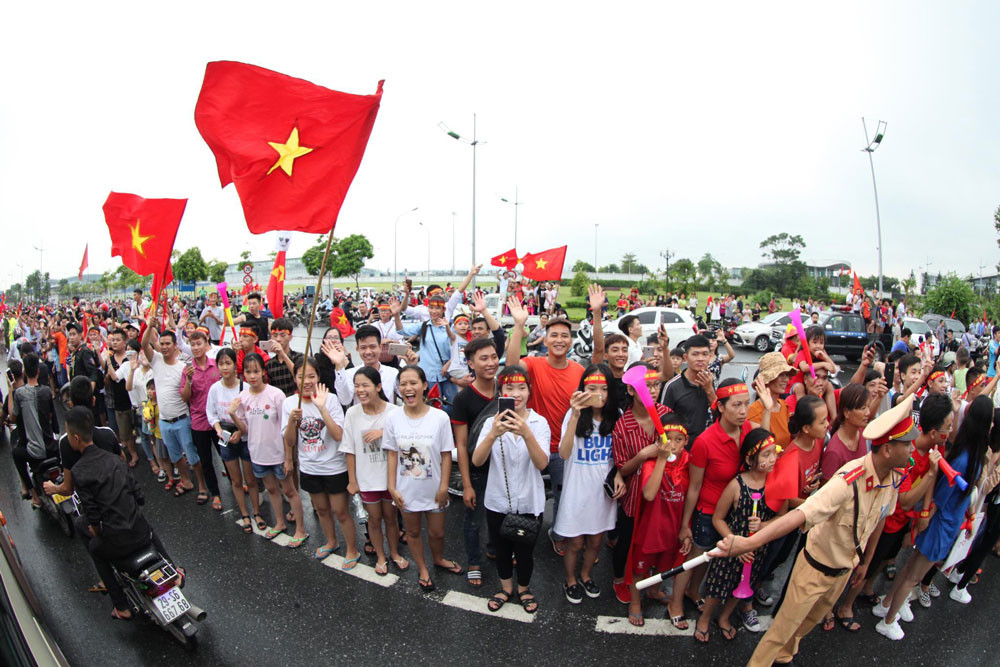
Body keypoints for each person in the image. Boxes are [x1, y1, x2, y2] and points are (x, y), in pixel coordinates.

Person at [714, 395, 918, 666]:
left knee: (805, 626)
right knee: (779, 633)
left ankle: (785, 657)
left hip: (842, 572)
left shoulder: (891, 479)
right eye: (907, 444)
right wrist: (748, 543)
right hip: (814, 569)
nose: (913, 449)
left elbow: (879, 519)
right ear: (889, 450)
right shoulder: (848, 481)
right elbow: (800, 514)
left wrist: (865, 562)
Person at [874, 395, 994, 640]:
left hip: (944, 523)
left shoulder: (969, 453)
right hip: (942, 526)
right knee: (913, 576)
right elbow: (941, 496)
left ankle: (887, 604)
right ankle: (888, 621)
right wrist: (925, 518)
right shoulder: (965, 458)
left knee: (910, 569)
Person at [835, 394, 950, 628]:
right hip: (887, 519)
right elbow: (906, 500)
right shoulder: (906, 455)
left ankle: (867, 590)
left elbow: (931, 476)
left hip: (903, 521)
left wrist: (925, 513)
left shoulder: (936, 446)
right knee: (868, 563)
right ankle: (845, 605)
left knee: (884, 559)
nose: (950, 431)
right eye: (947, 427)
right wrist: (929, 475)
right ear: (933, 433)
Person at [65, 406, 182, 620]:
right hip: (139, 532)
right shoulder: (116, 460)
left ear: (75, 438)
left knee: (95, 549)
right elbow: (139, 497)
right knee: (145, 524)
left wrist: (97, 529)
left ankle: (122, 606)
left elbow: (93, 517)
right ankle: (174, 571)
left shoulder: (79, 471)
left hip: (116, 541)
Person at [505, 297, 584, 557]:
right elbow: (511, 367)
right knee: (523, 493)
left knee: (563, 494)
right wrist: (518, 327)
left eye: (565, 335)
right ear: (545, 339)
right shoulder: (535, 364)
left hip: (563, 448)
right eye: (554, 335)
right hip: (532, 443)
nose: (560, 339)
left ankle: (558, 533)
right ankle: (517, 533)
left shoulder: (579, 370)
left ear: (570, 340)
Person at [472, 365, 550, 614]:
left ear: (529, 391)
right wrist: (493, 434)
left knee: (525, 552)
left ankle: (524, 588)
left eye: (521, 388)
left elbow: (542, 463)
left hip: (529, 501)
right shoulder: (490, 423)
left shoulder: (539, 423)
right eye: (509, 388)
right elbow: (477, 461)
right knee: (501, 550)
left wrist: (526, 433)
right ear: (500, 392)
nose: (516, 393)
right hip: (497, 501)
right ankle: (505, 587)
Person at [696, 428, 785, 642]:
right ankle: (705, 619)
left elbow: (782, 519)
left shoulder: (777, 483)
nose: (772, 459)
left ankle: (725, 617)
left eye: (774, 453)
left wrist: (764, 526)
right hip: (731, 548)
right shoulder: (737, 484)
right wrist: (734, 542)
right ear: (750, 458)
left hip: (756, 550)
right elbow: (718, 518)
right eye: (766, 455)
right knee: (718, 586)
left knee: (742, 586)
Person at [678, 379, 752, 621]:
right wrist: (685, 525)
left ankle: (693, 591)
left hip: (733, 512)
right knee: (694, 558)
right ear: (720, 407)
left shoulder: (748, 430)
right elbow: (694, 487)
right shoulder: (705, 442)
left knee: (710, 560)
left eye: (747, 404)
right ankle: (675, 603)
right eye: (737, 405)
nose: (743, 411)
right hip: (708, 512)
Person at [385, 366, 461, 591]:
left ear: (424, 385)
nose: (408, 388)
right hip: (406, 490)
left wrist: (444, 486)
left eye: (413, 383)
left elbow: (447, 454)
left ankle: (438, 558)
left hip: (435, 489)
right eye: (403, 384)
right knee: (413, 532)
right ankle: (423, 568)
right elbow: (391, 454)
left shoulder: (439, 417)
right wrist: (392, 487)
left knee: (437, 533)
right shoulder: (392, 418)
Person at [553, 364, 623, 604]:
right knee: (575, 542)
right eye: (591, 388)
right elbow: (563, 453)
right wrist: (573, 414)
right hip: (577, 491)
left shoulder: (618, 416)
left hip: (602, 493)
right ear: (582, 389)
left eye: (604, 389)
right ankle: (570, 579)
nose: (598, 394)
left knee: (596, 540)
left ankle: (585, 575)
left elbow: (620, 458)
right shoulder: (574, 415)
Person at [228, 352, 308, 546]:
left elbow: (286, 429)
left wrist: (288, 457)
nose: (252, 375)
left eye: (256, 371)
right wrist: (232, 415)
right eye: (248, 372)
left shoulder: (276, 394)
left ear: (264, 372)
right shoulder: (243, 396)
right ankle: (279, 522)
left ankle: (300, 529)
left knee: (289, 491)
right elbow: (245, 429)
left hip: (278, 454)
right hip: (257, 454)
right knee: (272, 489)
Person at [283, 357, 356, 564]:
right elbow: (289, 441)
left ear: (319, 377)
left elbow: (338, 435)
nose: (306, 381)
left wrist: (322, 409)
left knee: (341, 511)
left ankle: (352, 549)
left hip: (334, 466)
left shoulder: (330, 399)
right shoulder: (290, 404)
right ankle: (331, 541)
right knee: (322, 510)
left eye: (311, 376)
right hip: (309, 467)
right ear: (294, 378)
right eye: (301, 376)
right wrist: (291, 422)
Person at [609, 363, 670, 604]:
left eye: (656, 385)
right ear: (632, 391)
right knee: (626, 542)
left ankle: (653, 583)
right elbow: (622, 469)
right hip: (634, 497)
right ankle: (618, 580)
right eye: (647, 386)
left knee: (657, 543)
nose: (653, 390)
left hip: (663, 494)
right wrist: (644, 454)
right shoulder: (623, 426)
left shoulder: (666, 415)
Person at [627, 412, 691, 628]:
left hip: (673, 529)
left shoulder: (688, 462)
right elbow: (649, 494)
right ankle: (635, 602)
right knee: (640, 569)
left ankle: (653, 590)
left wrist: (685, 527)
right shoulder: (652, 463)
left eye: (678, 440)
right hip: (651, 529)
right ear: (658, 440)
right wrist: (662, 459)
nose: (672, 445)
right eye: (667, 439)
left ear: (686, 441)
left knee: (664, 566)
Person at [341, 366, 406, 575]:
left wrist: (383, 432)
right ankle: (380, 556)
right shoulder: (352, 413)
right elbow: (349, 449)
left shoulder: (394, 412)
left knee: (391, 518)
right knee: (374, 520)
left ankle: (394, 552)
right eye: (357, 386)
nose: (360, 390)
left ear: (378, 386)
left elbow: (405, 439)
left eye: (365, 385)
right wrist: (352, 480)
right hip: (366, 478)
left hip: (390, 478)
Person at [450, 337, 501, 587]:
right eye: (483, 359)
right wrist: (466, 483)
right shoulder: (463, 399)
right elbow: (461, 445)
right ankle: (473, 561)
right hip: (478, 469)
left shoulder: (506, 390)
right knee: (473, 519)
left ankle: (494, 548)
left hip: (503, 467)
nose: (491, 363)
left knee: (499, 515)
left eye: (493, 357)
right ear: (470, 363)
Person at [205, 347, 262, 534]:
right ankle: (244, 514)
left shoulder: (245, 388)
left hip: (245, 438)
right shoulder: (214, 389)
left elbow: (253, 416)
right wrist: (219, 430)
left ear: (235, 365)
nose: (224, 367)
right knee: (236, 481)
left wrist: (240, 431)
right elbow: (211, 414)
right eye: (220, 364)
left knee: (251, 479)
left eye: (228, 363)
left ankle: (256, 512)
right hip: (226, 439)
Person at [141, 315, 198, 497]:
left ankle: (203, 486)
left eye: (168, 344)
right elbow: (144, 345)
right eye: (162, 343)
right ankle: (186, 481)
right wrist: (149, 327)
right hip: (164, 422)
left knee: (192, 456)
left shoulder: (182, 366)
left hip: (182, 419)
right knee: (175, 456)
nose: (164, 347)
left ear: (175, 346)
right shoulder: (156, 360)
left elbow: (187, 395)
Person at [8, 353, 57, 507]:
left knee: (16, 454)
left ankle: (34, 496)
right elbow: (50, 415)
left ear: (24, 373)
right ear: (38, 371)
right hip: (52, 447)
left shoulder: (19, 393)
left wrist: (10, 390)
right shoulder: (47, 391)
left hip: (34, 451)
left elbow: (13, 417)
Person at [180, 329, 222, 509]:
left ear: (206, 345)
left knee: (226, 456)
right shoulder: (187, 370)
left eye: (199, 344)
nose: (196, 348)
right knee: (206, 461)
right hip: (199, 422)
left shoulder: (217, 365)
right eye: (193, 344)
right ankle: (216, 494)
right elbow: (185, 398)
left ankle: (238, 483)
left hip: (220, 422)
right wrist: (189, 380)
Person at [662, 334, 716, 444]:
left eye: (705, 354)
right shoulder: (672, 386)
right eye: (695, 354)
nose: (700, 359)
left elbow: (719, 415)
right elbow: (663, 422)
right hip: (680, 448)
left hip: (703, 445)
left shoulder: (709, 381)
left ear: (710, 357)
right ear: (686, 358)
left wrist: (709, 390)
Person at [330, 324, 399, 407]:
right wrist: (339, 365)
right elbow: (345, 400)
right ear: (357, 348)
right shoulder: (350, 374)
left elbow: (407, 395)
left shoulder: (393, 373)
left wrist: (411, 365)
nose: (368, 352)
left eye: (372, 347)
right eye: (363, 347)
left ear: (380, 347)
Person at [101, 329, 140, 467]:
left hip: (137, 401)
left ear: (125, 342)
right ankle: (133, 454)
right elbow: (112, 378)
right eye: (113, 340)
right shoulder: (111, 359)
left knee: (144, 431)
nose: (115, 342)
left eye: (118, 340)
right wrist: (107, 362)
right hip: (118, 400)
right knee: (126, 432)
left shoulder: (132, 358)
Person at [747, 352, 795, 448]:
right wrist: (767, 410)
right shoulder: (754, 410)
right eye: (781, 375)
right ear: (768, 380)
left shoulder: (784, 405)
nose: (786, 379)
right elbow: (762, 447)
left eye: (787, 375)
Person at [264, 318, 304, 397]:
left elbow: (301, 376)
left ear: (290, 337)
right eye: (275, 335)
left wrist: (283, 355)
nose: (278, 339)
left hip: (297, 400)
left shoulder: (299, 357)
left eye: (282, 335)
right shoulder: (269, 364)